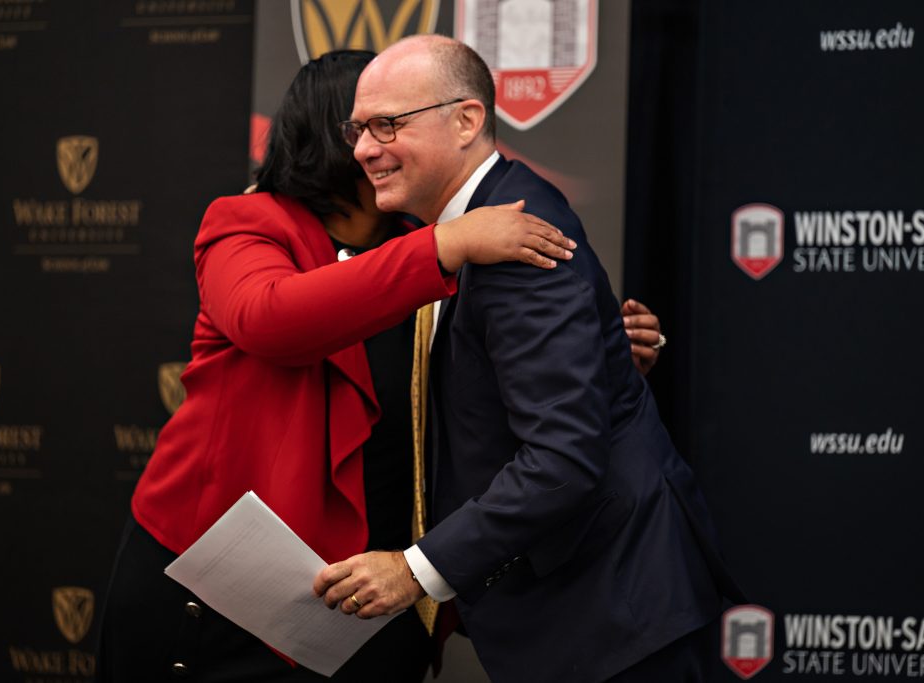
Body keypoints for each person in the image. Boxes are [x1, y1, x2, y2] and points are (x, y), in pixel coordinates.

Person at [95, 49, 578, 682]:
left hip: (373, 587)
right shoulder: (249, 222)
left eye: (394, 123)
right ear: (334, 133)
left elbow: (490, 381)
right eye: (373, 125)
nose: (386, 143)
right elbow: (269, 320)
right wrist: (442, 247)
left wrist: (594, 346)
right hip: (215, 582)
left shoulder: (427, 234)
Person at [313, 35, 744, 683]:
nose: (365, 148)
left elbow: (562, 457)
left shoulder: (517, 240)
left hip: (609, 609)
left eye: (386, 125)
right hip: (579, 606)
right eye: (358, 128)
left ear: (466, 120)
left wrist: (414, 569)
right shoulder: (456, 230)